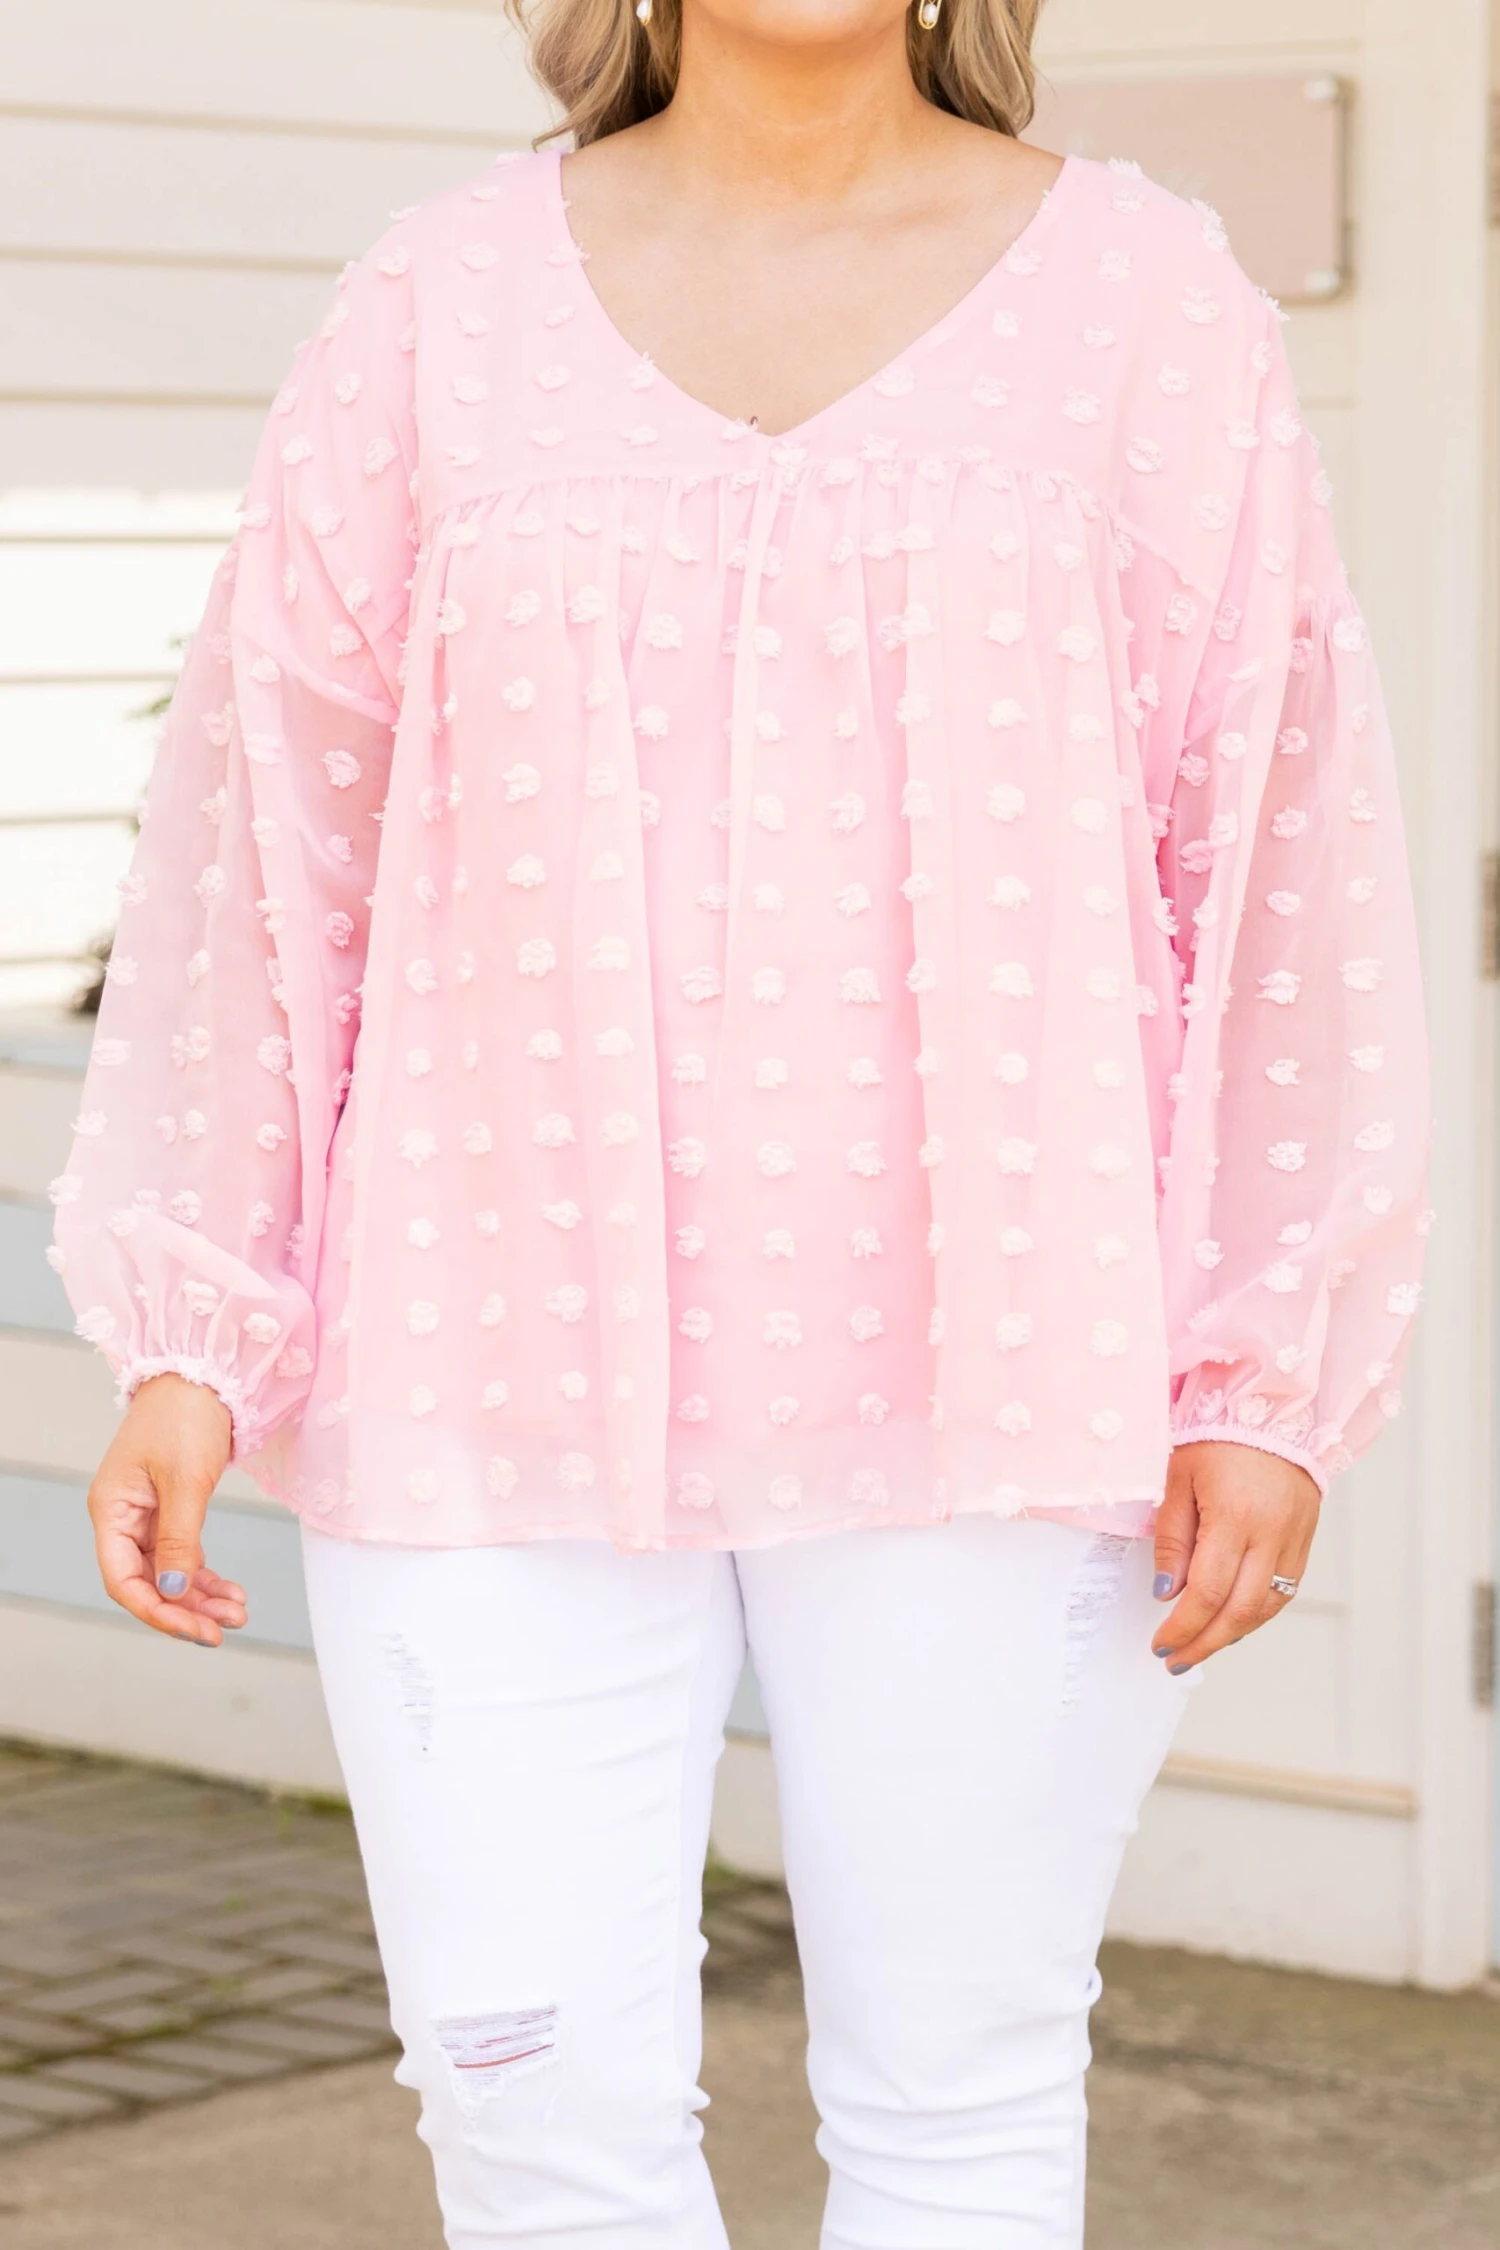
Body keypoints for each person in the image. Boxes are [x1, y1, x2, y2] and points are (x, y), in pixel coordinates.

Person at [52, 0, 1429, 2239]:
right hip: (481, 1347)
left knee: (959, 2096)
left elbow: (1274, 842)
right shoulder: (436, 308)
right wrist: (198, 1316)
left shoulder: (1145, 304)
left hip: (1008, 1353)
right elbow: (273, 824)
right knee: (527, 2101)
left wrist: (1263, 1368)